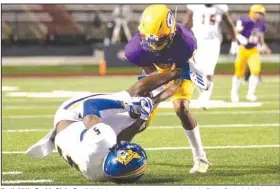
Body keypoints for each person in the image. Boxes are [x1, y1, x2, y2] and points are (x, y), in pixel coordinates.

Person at [26, 68, 186, 181]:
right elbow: (124, 139)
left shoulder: (101, 140)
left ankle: (177, 71)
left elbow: (91, 104)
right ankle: (158, 93)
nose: (124, 146)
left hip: (71, 115)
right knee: (137, 119)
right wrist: (147, 112)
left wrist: (126, 104)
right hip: (72, 141)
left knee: (132, 97)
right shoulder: (102, 174)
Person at [125, 4, 210, 174]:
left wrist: (157, 99)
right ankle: (117, 151)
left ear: (171, 34)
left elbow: (174, 84)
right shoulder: (134, 49)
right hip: (157, 71)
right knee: (138, 119)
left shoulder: (185, 42)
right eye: (149, 40)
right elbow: (153, 74)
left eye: (160, 40)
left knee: (181, 107)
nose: (153, 45)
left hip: (180, 70)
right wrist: (153, 97)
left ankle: (200, 157)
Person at [183, 4, 237, 108]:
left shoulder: (221, 7)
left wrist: (234, 41)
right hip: (196, 41)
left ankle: (205, 96)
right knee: (194, 69)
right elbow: (186, 23)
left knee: (208, 70)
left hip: (213, 42)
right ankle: (204, 92)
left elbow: (230, 24)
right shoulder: (195, 6)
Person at [230, 4, 271, 102]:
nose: (260, 15)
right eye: (259, 13)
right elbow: (235, 31)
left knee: (255, 71)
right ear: (253, 12)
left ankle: (250, 94)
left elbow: (260, 37)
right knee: (238, 72)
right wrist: (240, 37)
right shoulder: (244, 21)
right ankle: (234, 93)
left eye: (261, 14)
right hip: (242, 49)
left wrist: (265, 47)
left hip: (254, 50)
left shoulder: (262, 24)